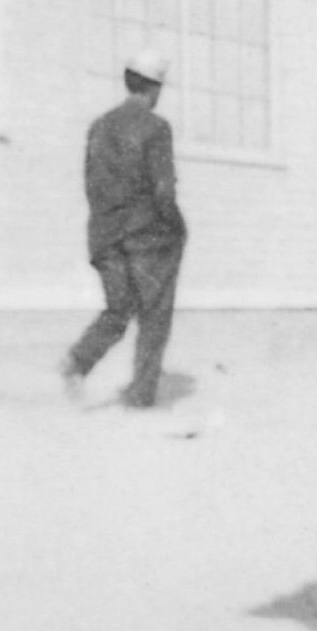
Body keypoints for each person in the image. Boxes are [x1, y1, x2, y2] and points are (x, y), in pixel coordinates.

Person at [62, 49, 187, 408]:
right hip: (148, 237)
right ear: (155, 89)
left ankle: (77, 361)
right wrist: (177, 228)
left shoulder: (99, 126)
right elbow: (164, 191)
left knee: (119, 309)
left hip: (104, 235)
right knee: (154, 313)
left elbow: (91, 185)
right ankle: (140, 396)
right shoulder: (157, 127)